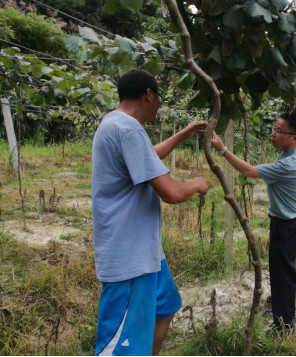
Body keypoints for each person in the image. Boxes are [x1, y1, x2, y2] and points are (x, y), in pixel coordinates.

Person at [92, 69, 208, 356]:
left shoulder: (114, 121)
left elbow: (145, 157)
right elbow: (171, 193)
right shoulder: (128, 128)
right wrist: (195, 183)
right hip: (128, 257)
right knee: (120, 346)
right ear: (148, 95)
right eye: (158, 98)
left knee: (164, 308)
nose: (158, 105)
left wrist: (183, 134)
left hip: (146, 253)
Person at [211, 112, 296, 331]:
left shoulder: (289, 164)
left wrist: (222, 149)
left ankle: (284, 324)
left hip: (286, 225)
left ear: (294, 137)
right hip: (287, 221)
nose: (273, 134)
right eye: (274, 129)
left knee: (283, 272)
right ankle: (279, 308)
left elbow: (248, 171)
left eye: (279, 131)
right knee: (278, 269)